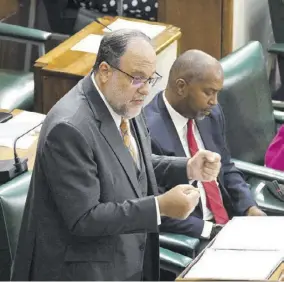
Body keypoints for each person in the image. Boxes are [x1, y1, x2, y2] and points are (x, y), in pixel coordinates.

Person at [11, 31, 221, 281]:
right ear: (105, 71)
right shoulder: (69, 128)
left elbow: (127, 166)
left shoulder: (124, 100)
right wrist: (159, 206)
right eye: (136, 78)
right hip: (82, 272)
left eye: (150, 79)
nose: (144, 90)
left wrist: (187, 167)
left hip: (127, 260)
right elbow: (85, 219)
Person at [144, 50, 266, 249]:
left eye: (217, 93)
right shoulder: (147, 131)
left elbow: (226, 167)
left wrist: (249, 207)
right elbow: (160, 209)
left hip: (230, 221)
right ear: (181, 87)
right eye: (209, 92)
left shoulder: (210, 113)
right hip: (193, 237)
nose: (215, 101)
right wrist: (213, 231)